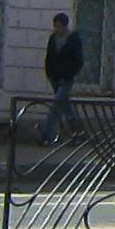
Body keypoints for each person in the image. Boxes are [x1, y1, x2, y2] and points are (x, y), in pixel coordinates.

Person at [40, 7, 87, 140]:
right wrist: (49, 73)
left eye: (59, 26)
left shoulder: (73, 39)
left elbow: (78, 59)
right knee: (66, 106)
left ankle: (47, 134)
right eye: (55, 26)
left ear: (65, 26)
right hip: (55, 77)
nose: (56, 29)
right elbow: (49, 57)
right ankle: (79, 132)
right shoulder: (53, 38)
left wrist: (69, 73)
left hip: (66, 78)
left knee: (56, 106)